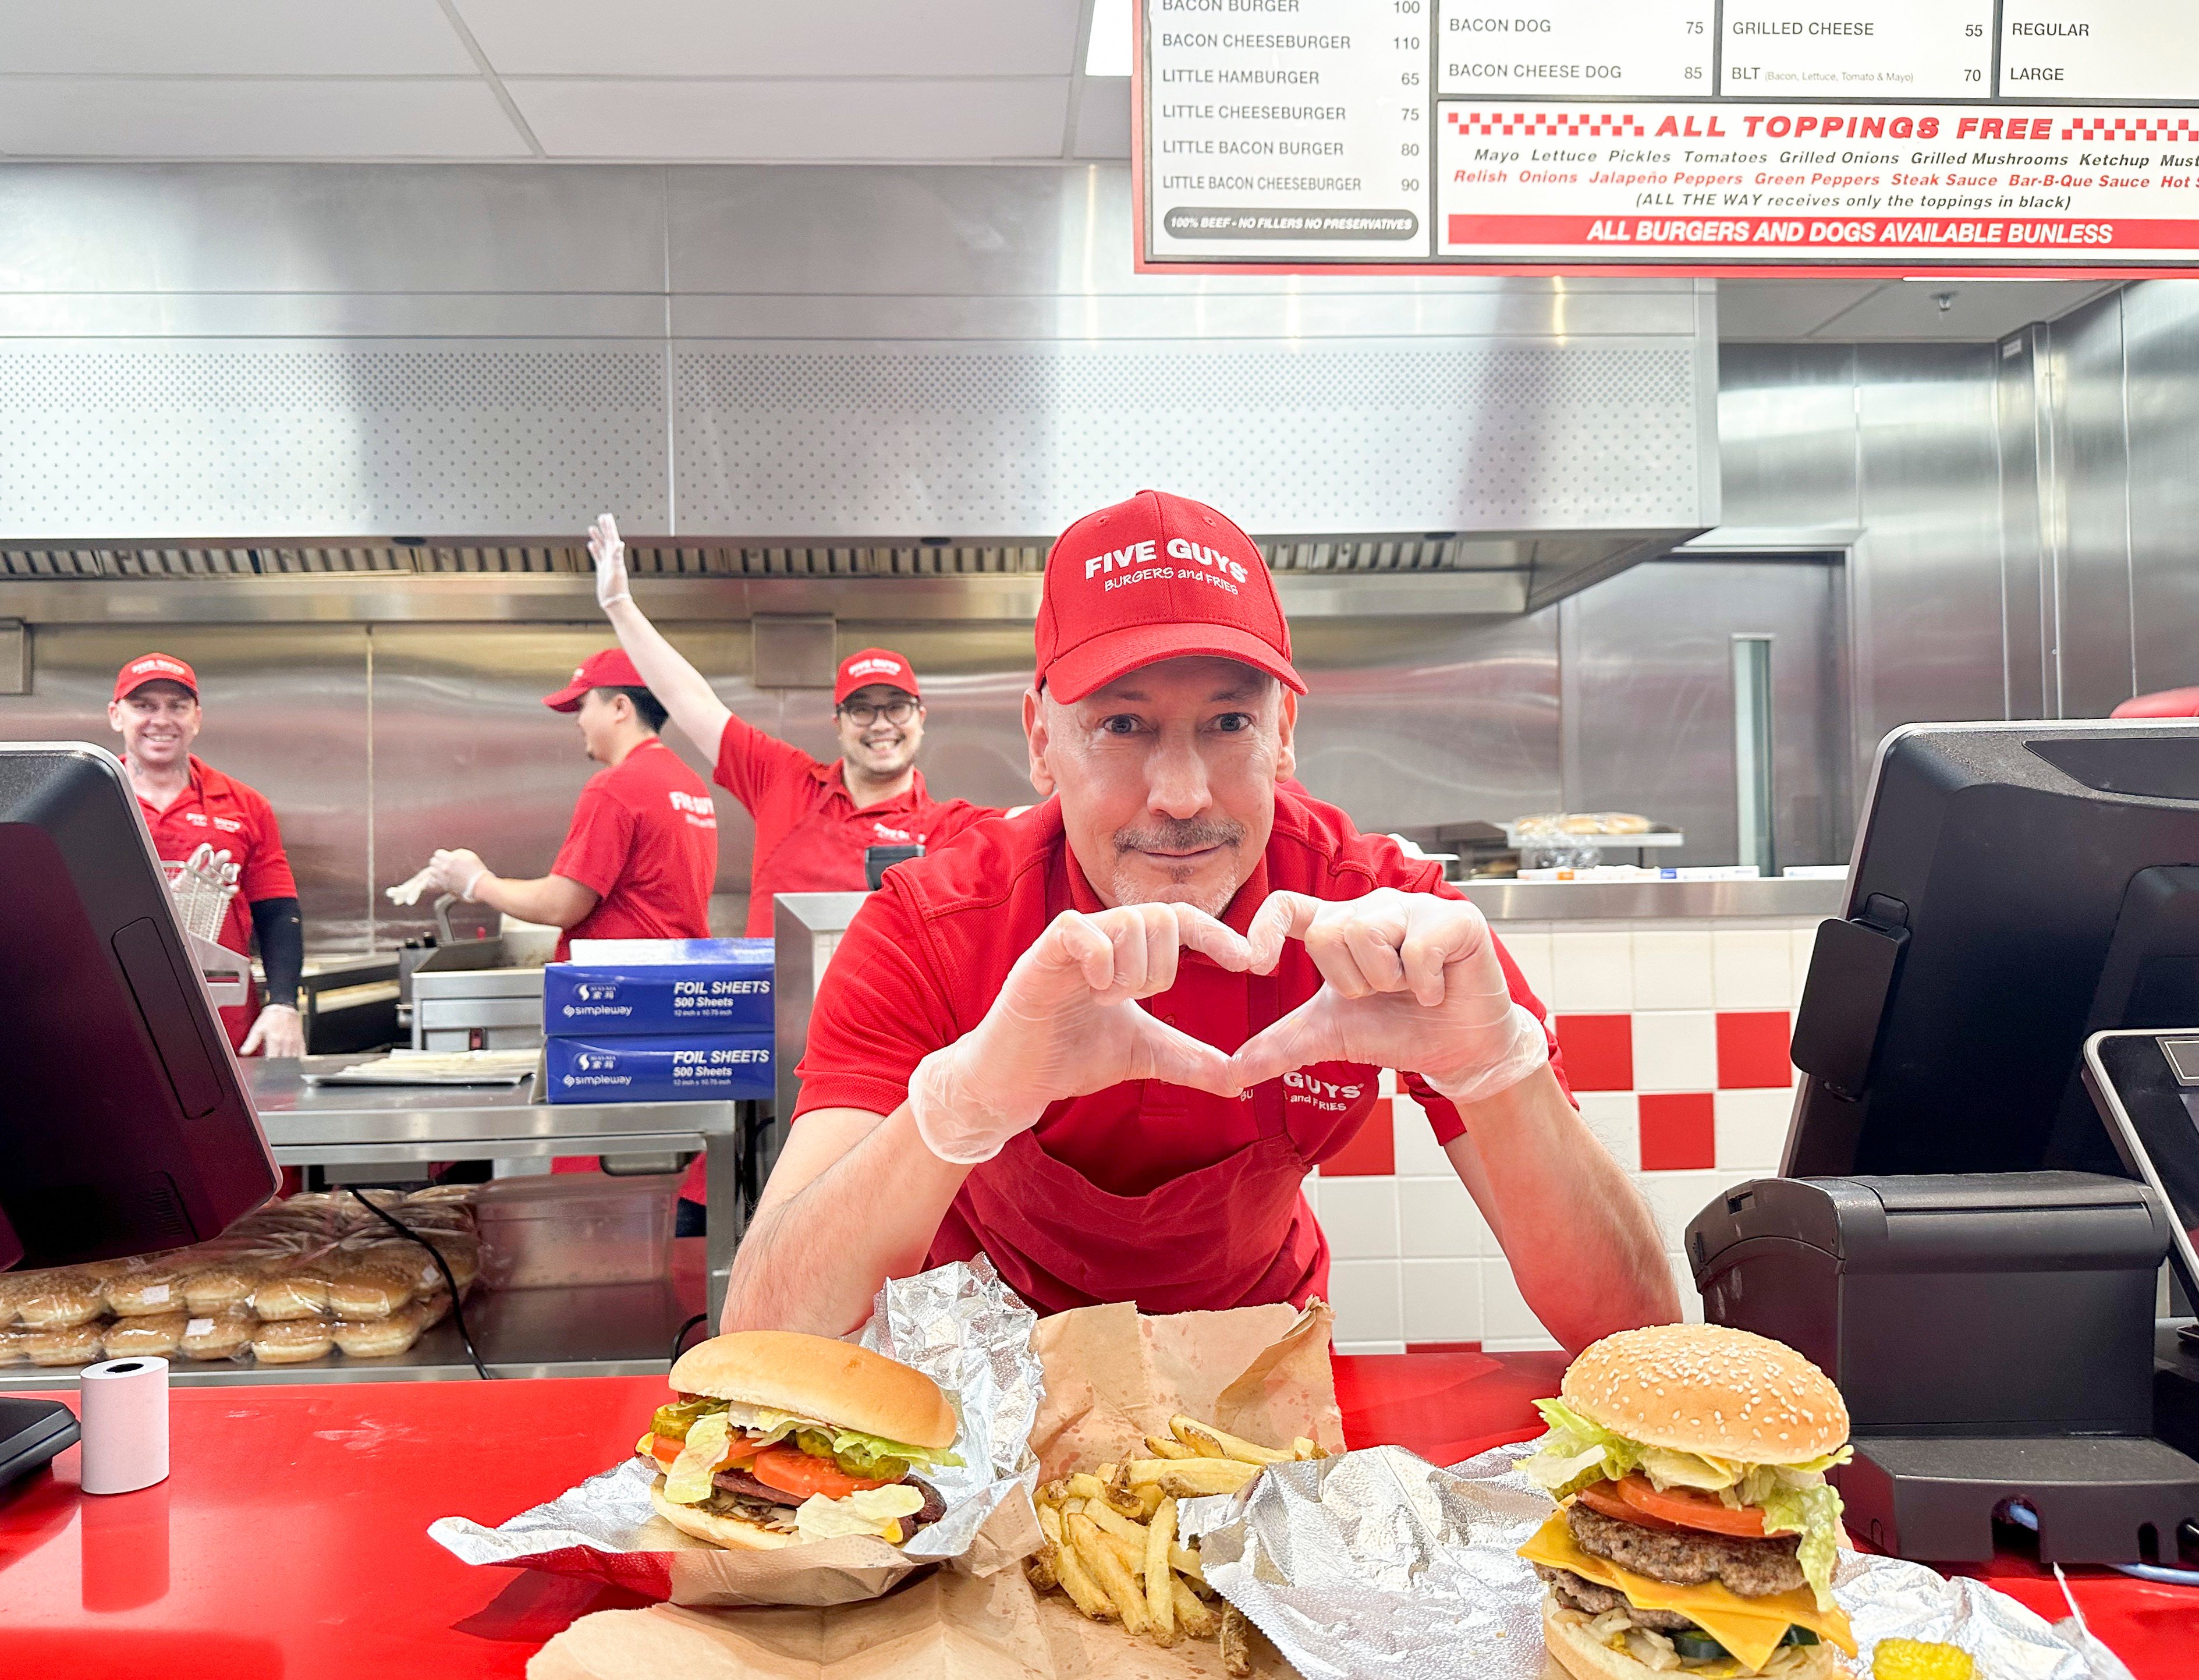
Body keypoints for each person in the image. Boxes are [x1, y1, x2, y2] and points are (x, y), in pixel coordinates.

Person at [721, 490, 1677, 1352]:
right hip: (983, 1397)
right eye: (1121, 725)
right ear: (1040, 740)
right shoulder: (936, 923)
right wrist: (959, 1106)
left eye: (1227, 723)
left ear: (1284, 733)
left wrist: (1495, 1069)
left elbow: (1631, 1330)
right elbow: (761, 1332)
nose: (1179, 797)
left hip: (1262, 1399)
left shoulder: (1386, 915)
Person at [584, 515, 995, 935]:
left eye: (896, 707)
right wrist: (620, 606)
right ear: (838, 724)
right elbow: (693, 702)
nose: (881, 724)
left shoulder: (953, 827)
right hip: (775, 1004)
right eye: (862, 710)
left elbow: (1047, 829)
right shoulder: (784, 780)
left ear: (920, 719)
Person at [420, 648, 717, 960]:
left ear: (620, 707)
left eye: (583, 706)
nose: (579, 722)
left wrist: (477, 883)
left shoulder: (616, 785)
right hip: (678, 979)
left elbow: (562, 905)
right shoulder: (689, 783)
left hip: (620, 989)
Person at [109, 652, 305, 1057]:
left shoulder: (245, 805)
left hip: (224, 1022)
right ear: (116, 716)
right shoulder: (86, 797)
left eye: (176, 707)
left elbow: (277, 911)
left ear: (196, 718)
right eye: (144, 706)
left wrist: (284, 1004)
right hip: (112, 1016)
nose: (161, 720)